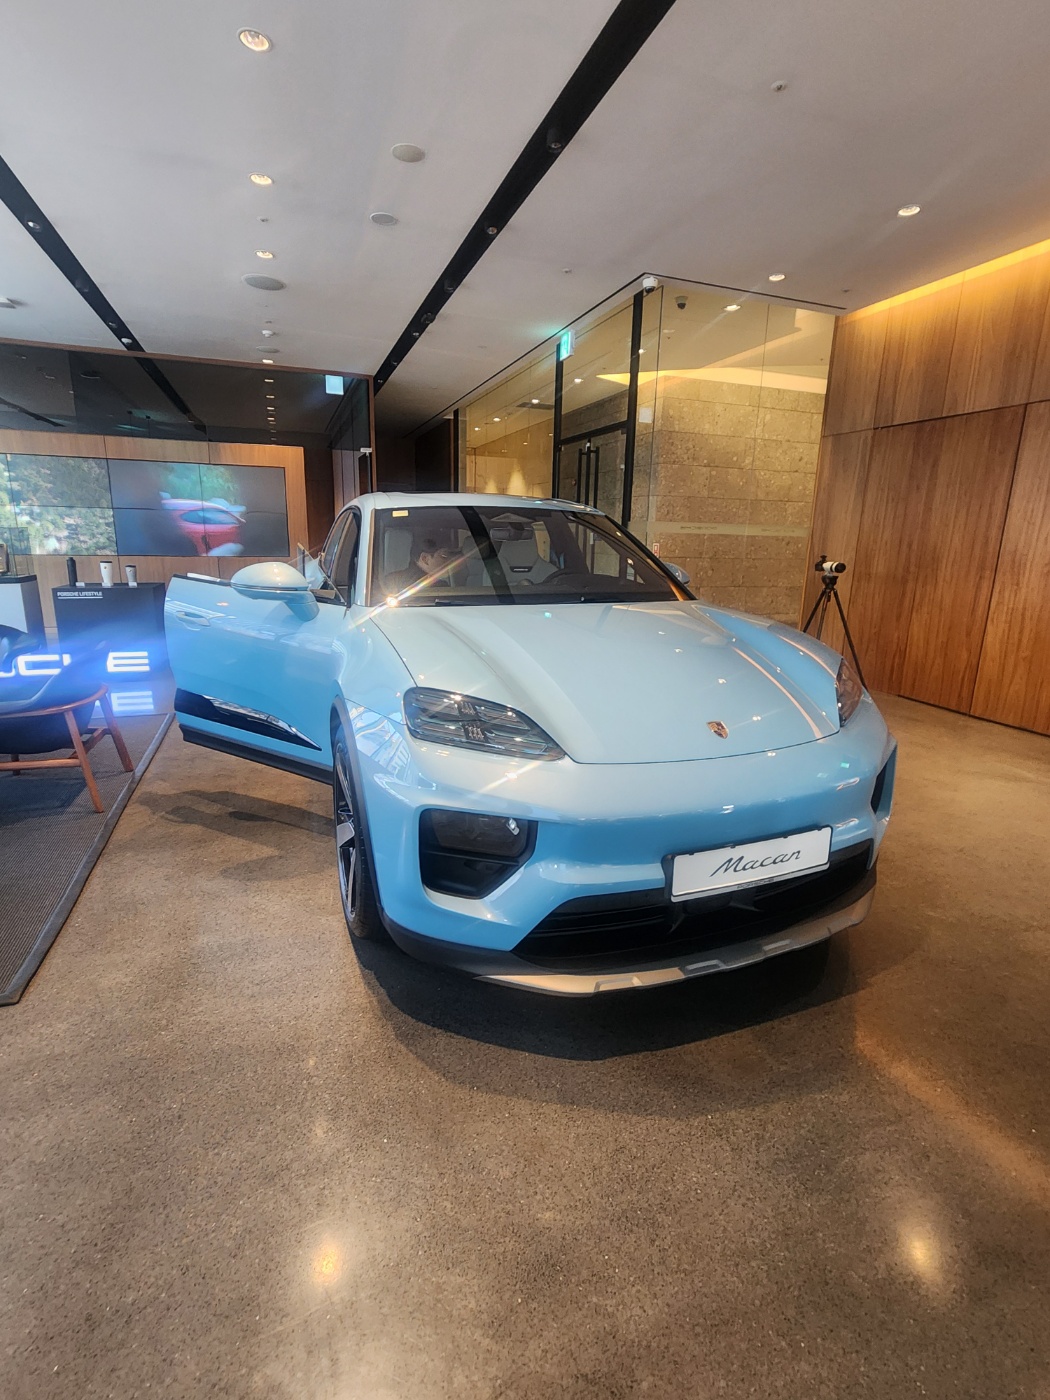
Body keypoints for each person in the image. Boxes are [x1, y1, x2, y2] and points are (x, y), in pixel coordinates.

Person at [385, 536, 464, 596]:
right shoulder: (438, 587)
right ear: (425, 558)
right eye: (444, 556)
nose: (451, 561)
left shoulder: (391, 580)